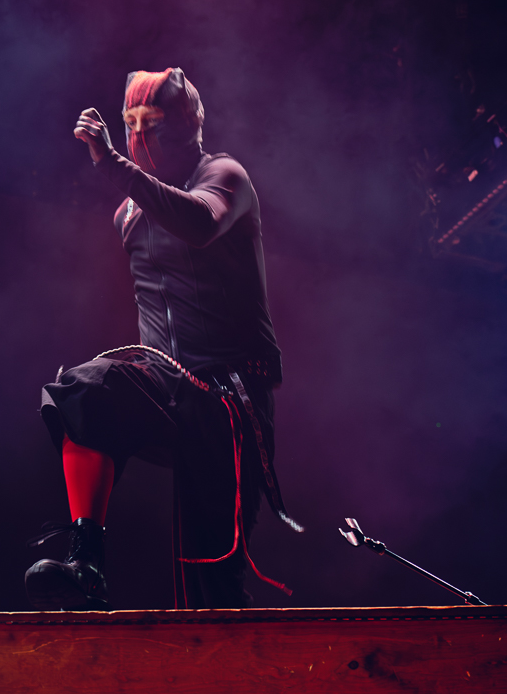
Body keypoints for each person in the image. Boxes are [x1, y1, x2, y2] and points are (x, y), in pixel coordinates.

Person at [24, 68, 299, 611]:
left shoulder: (224, 176)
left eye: (151, 122)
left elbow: (200, 223)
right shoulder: (128, 213)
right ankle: (87, 559)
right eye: (130, 122)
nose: (139, 134)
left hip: (231, 394)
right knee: (84, 391)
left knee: (210, 580)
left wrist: (113, 164)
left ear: (188, 123)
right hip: (167, 380)